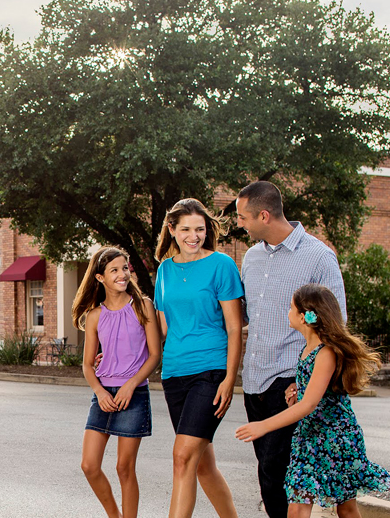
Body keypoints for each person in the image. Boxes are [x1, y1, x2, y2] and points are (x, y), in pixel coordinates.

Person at [235, 181, 347, 518]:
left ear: (264, 215)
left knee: (275, 474)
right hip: (254, 380)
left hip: (289, 384)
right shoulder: (251, 258)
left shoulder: (318, 257)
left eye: (243, 217)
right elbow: (244, 316)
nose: (240, 224)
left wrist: (310, 379)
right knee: (269, 475)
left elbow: (335, 323)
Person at [235, 284, 390, 517]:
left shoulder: (326, 352)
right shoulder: (307, 348)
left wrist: (263, 426)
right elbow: (312, 392)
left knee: (346, 509)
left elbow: (309, 405)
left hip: (335, 439)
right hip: (308, 438)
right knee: (297, 507)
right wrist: (298, 389)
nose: (287, 313)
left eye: (290, 308)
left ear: (304, 316)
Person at [153, 198, 242, 518]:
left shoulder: (221, 265)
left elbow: (234, 327)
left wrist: (230, 378)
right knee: (202, 465)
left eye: (200, 229)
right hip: (174, 374)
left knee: (181, 456)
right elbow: (163, 329)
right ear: (172, 230)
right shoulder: (165, 270)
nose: (194, 235)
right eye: (186, 229)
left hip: (211, 371)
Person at [73, 246, 161, 518]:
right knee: (89, 465)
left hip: (133, 394)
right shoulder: (95, 316)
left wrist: (131, 384)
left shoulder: (143, 306)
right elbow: (88, 365)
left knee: (124, 467)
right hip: (103, 396)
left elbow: (155, 355)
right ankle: (115, 515)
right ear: (100, 278)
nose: (123, 274)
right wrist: (99, 391)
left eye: (125, 268)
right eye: (115, 270)